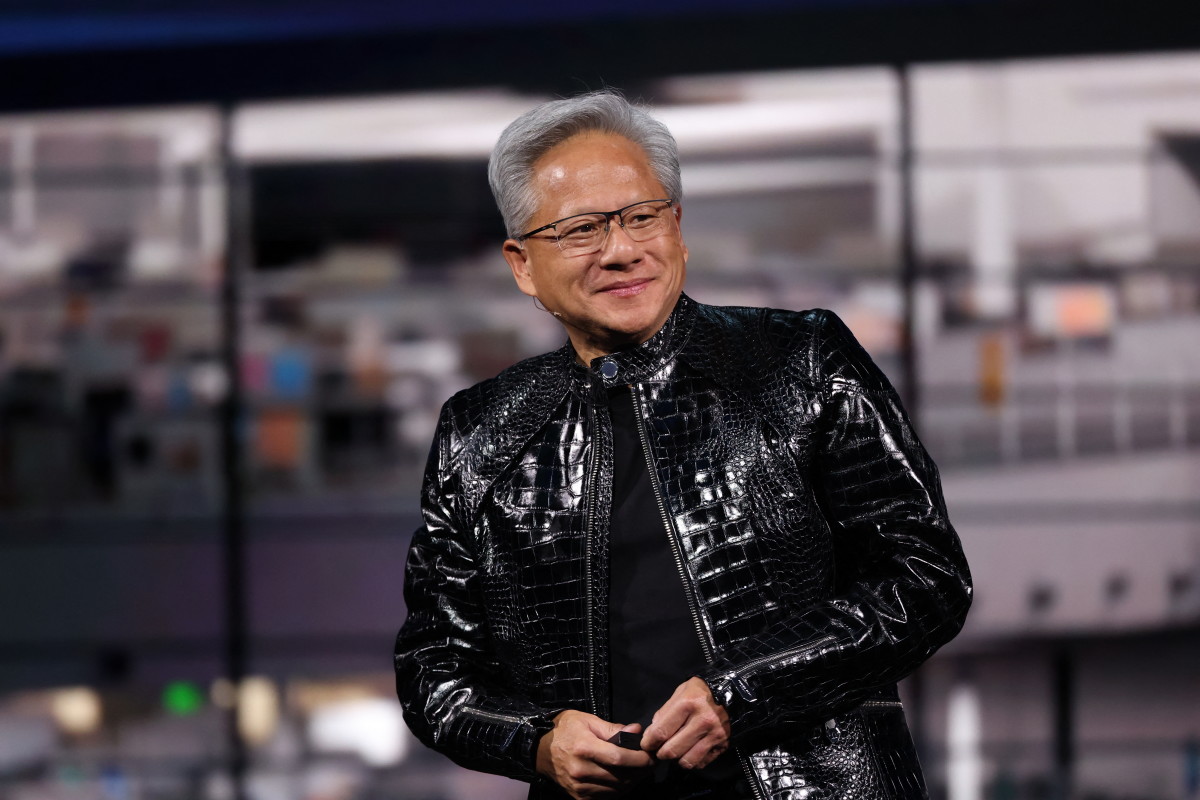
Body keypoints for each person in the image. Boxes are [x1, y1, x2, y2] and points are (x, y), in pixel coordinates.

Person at [394, 89, 972, 800]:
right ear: (522, 264)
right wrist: (536, 740)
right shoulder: (478, 432)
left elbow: (926, 577)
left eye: (642, 217)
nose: (621, 251)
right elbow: (434, 671)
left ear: (677, 227)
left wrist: (742, 694)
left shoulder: (801, 360)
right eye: (581, 230)